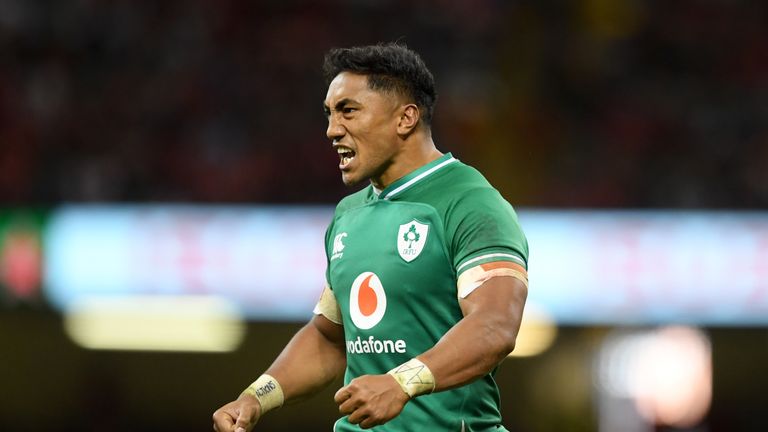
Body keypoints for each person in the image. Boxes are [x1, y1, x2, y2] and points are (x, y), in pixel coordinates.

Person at [212, 42, 529, 432]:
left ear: (406, 119)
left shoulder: (471, 202)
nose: (332, 130)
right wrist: (255, 398)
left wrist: (401, 383)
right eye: (329, 114)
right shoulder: (349, 215)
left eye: (349, 111)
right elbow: (330, 338)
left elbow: (495, 326)